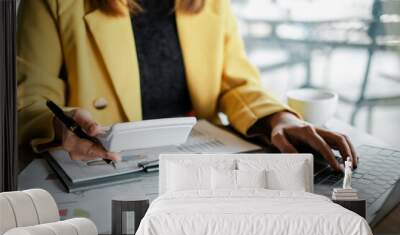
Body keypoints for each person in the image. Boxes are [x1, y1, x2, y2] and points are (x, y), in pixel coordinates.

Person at [17, 0, 357, 171]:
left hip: (201, 167)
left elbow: (233, 83)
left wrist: (277, 118)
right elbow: (31, 98)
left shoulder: (209, 3)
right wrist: (62, 124)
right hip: (107, 170)